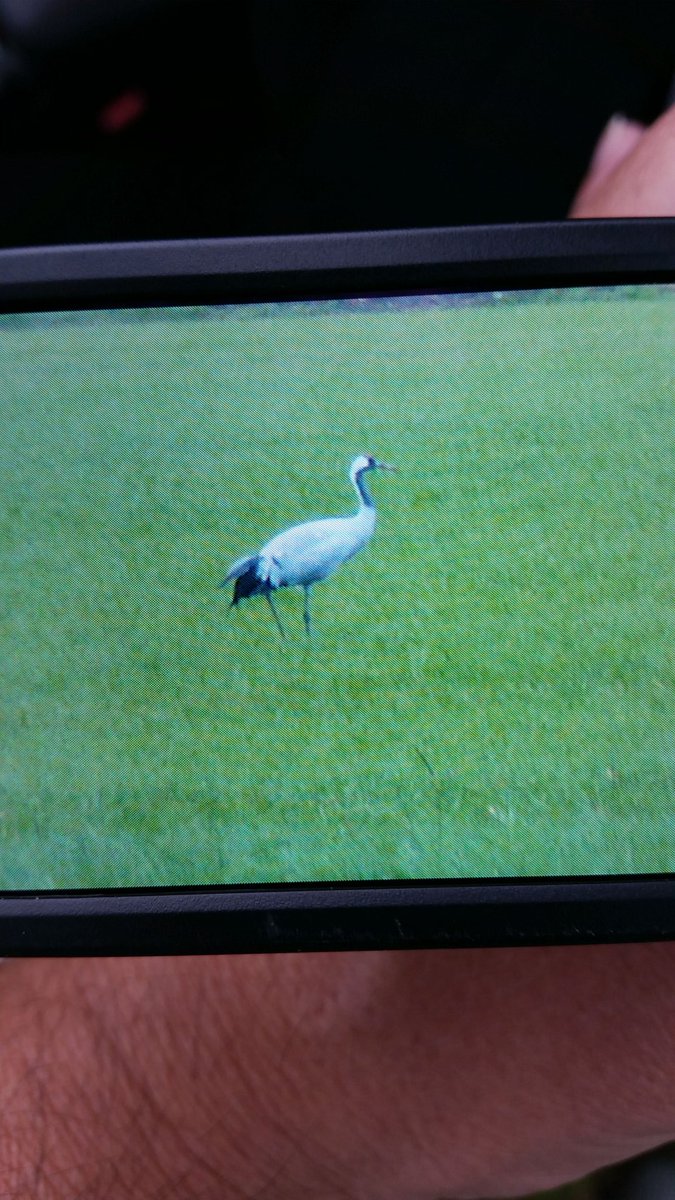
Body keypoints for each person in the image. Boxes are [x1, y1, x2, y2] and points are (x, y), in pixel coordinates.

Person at [1, 107, 674, 1200]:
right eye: (374, 469)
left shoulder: (343, 529)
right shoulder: (334, 533)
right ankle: (290, 642)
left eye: (373, 472)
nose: (377, 479)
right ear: (360, 474)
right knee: (289, 594)